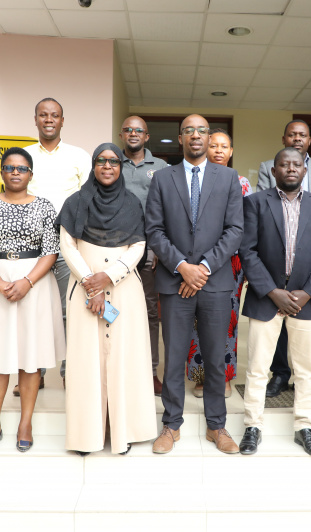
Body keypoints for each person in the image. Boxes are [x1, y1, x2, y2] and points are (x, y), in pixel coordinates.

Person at [145, 114, 244, 455]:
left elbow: (235, 229)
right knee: (174, 358)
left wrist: (202, 268)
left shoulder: (228, 178)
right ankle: (171, 425)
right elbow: (154, 230)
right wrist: (182, 267)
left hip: (215, 282)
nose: (196, 135)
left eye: (202, 130)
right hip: (175, 282)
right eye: (189, 130)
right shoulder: (162, 178)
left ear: (208, 137)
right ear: (181, 138)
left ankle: (217, 426)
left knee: (215, 359)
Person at [0, 147, 65, 454]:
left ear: (31, 174)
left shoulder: (45, 207)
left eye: (22, 168)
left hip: (35, 283)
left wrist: (27, 281)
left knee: (30, 355)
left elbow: (51, 251)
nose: (15, 172)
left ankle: (25, 424)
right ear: (1, 172)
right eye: (9, 167)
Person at [58, 143, 158, 455]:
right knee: (86, 361)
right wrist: (92, 284)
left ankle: (123, 431)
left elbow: (138, 246)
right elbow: (67, 245)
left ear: (120, 167)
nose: (107, 166)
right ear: (93, 165)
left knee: (125, 359)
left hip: (125, 289)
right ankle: (87, 435)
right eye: (101, 161)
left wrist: (110, 276)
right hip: (84, 289)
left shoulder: (131, 203)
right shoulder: (75, 202)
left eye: (113, 162)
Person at [239, 147, 311, 456]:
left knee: (306, 369)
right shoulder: (255, 203)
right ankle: (253, 425)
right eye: (284, 164)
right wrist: (272, 291)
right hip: (266, 299)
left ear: (305, 170)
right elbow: (247, 251)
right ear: (274, 171)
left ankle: (304, 426)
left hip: (306, 301)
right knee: (258, 368)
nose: (291, 168)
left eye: (297, 164)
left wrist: (306, 293)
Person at [256, 119, 311, 399]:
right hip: (276, 259)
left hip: (309, 259)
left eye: (302, 135)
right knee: (274, 327)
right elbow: (263, 205)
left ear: (309, 140)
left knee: (306, 331)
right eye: (292, 134)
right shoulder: (269, 166)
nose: (297, 139)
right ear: (284, 139)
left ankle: (305, 383)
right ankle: (280, 374)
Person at [15, 97, 91, 396]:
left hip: (67, 242)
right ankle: (34, 374)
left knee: (68, 309)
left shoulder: (78, 156)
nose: (49, 120)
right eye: (43, 115)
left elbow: (88, 199)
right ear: (35, 119)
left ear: (62, 120)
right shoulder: (24, 156)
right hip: (30, 245)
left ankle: (69, 372)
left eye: (55, 115)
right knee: (32, 310)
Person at [187, 128, 252, 399]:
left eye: (224, 146)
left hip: (230, 262)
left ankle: (223, 377)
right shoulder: (195, 178)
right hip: (196, 261)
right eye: (214, 145)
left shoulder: (241, 182)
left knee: (226, 321)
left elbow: (245, 227)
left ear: (231, 152)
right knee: (196, 319)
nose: (218, 151)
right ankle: (201, 376)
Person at [118, 116, 169, 396]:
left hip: (149, 252)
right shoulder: (112, 162)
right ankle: (120, 370)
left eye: (139, 130)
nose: (133, 133)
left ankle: (150, 372)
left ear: (147, 136)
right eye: (128, 130)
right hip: (115, 250)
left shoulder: (161, 167)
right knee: (116, 310)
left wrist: (159, 249)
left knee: (150, 313)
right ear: (121, 134)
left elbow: (168, 211)